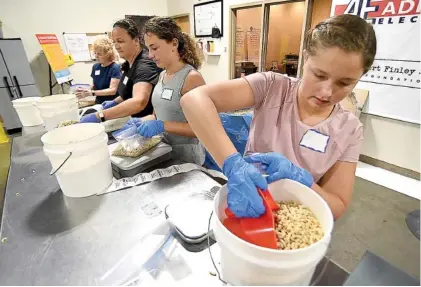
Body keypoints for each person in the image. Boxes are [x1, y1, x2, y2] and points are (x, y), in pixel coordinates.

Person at [180, 14, 377, 220]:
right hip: (248, 202)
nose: (327, 92)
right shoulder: (273, 88)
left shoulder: (349, 129)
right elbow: (193, 100)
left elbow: (337, 206)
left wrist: (305, 182)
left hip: (296, 221)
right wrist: (233, 165)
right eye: (319, 75)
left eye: (344, 83)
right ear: (305, 59)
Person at [125, 17, 206, 164]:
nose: (150, 55)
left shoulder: (191, 78)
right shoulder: (163, 74)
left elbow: (203, 129)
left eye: (154, 48)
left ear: (174, 43)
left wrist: (162, 125)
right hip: (164, 150)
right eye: (148, 49)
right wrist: (139, 121)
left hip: (187, 157)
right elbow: (158, 114)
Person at [80, 18, 162, 123]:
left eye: (120, 41)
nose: (116, 46)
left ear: (136, 40)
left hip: (146, 124)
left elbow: (139, 101)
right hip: (130, 118)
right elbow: (128, 92)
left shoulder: (144, 64)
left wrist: (100, 115)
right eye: (114, 42)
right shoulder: (128, 63)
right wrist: (114, 102)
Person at [76, 36, 121, 105]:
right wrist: (85, 91)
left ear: (108, 54)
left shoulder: (114, 68)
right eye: (95, 53)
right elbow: (94, 86)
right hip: (99, 103)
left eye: (99, 54)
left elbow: (112, 90)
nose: (96, 56)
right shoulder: (95, 67)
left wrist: (92, 93)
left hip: (111, 104)